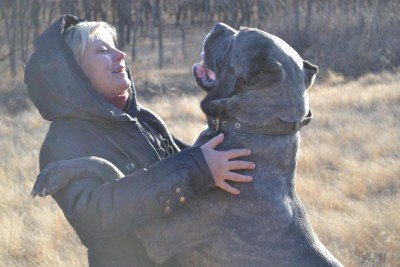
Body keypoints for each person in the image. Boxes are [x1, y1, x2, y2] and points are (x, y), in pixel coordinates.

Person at [25, 14, 255, 267]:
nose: (120, 54)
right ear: (73, 72)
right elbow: (95, 217)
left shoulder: (144, 118)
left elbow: (197, 163)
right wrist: (198, 168)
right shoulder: (63, 142)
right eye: (102, 50)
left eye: (115, 46)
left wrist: (227, 93)